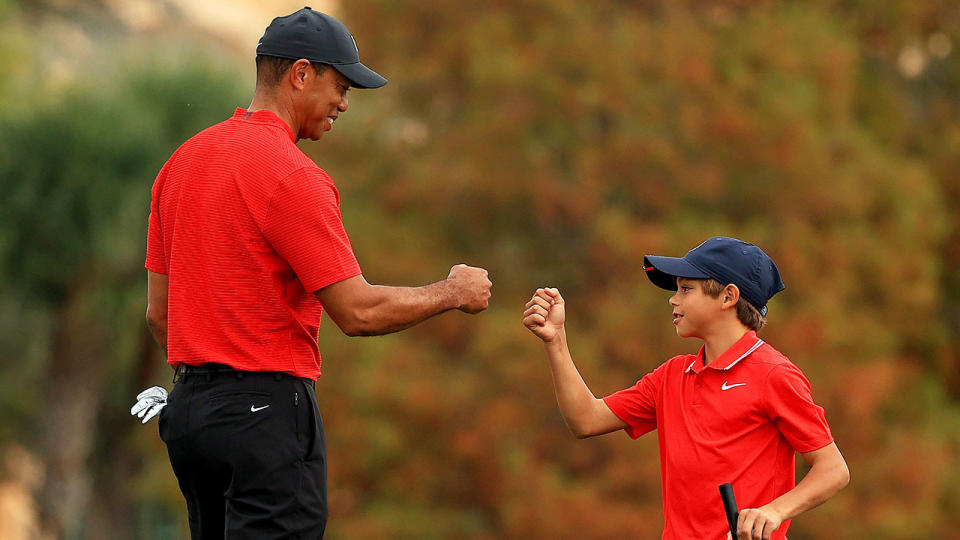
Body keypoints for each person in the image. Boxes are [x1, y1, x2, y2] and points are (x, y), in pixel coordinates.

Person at [134, 7, 492, 539]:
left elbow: (159, 315)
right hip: (263, 413)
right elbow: (358, 312)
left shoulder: (181, 163)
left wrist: (206, 389)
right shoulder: (292, 174)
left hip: (189, 417)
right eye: (340, 86)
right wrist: (452, 291)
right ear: (300, 74)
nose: (344, 104)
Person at [522, 236, 849, 540]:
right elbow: (586, 420)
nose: (672, 299)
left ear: (728, 297)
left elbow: (833, 469)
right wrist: (556, 340)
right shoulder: (672, 376)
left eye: (685, 289)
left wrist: (774, 511)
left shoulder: (774, 374)